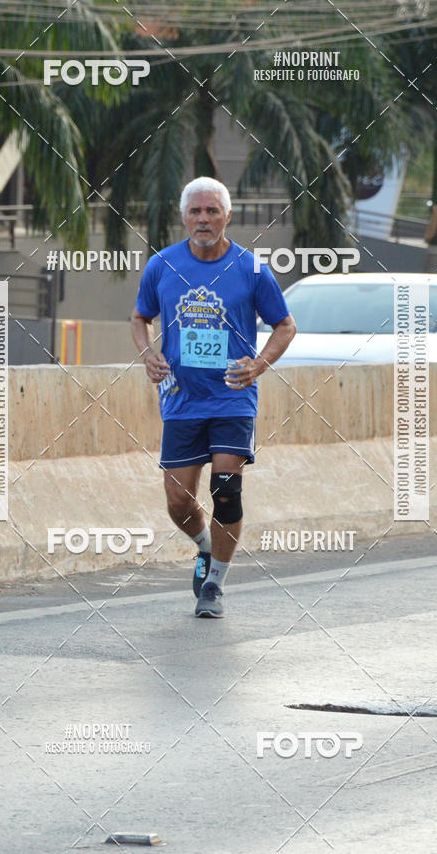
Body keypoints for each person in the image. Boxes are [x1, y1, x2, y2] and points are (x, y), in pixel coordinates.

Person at [131, 176, 296, 618]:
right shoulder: (162, 265)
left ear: (227, 216)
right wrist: (148, 355)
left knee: (226, 489)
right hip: (181, 400)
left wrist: (258, 365)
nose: (204, 219)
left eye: (212, 211)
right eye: (195, 212)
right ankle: (205, 548)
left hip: (232, 398)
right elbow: (139, 317)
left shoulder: (251, 268)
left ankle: (215, 585)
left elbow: (285, 325)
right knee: (178, 500)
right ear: (183, 217)